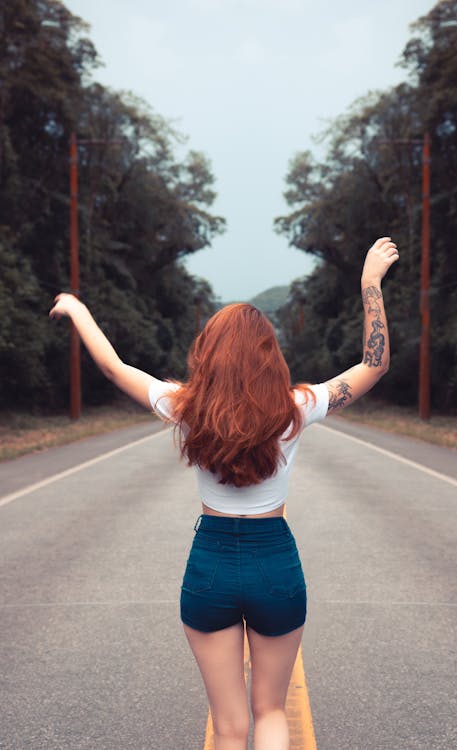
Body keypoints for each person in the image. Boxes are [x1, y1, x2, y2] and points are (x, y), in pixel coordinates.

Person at [49, 236, 398, 750]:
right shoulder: (297, 406)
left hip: (209, 564)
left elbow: (113, 367)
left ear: (208, 354)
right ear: (268, 356)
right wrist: (370, 284)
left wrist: (78, 310)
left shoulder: (184, 405)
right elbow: (374, 365)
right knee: (272, 711)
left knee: (230, 727)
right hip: (275, 563)